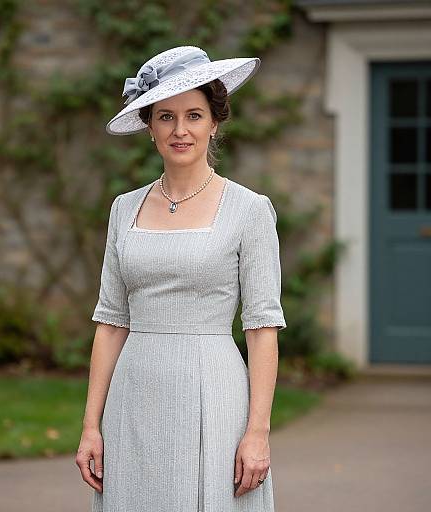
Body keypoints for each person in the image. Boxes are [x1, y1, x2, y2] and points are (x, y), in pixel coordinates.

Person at [76, 45, 287, 512]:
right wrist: (92, 425)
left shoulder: (249, 211)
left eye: (194, 114)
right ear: (150, 126)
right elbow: (111, 322)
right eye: (166, 116)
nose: (180, 129)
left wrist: (257, 432)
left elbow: (262, 328)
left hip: (213, 393)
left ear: (214, 122)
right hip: (132, 397)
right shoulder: (123, 208)